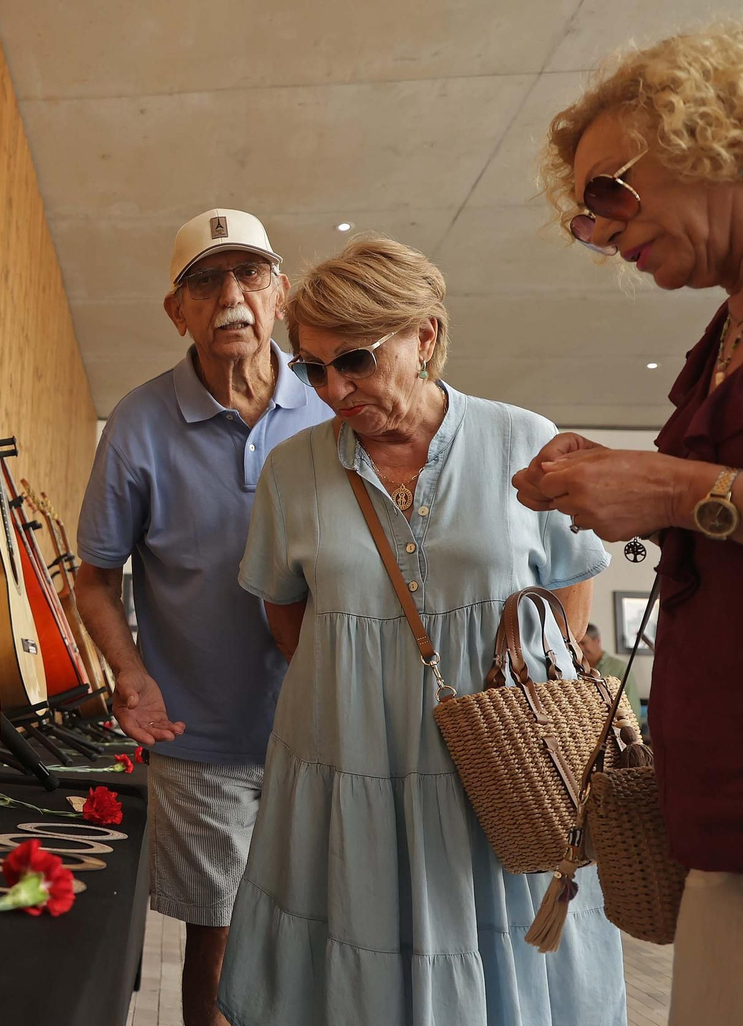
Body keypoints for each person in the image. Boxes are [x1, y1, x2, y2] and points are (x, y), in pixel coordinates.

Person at [219, 237, 625, 1026]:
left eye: (357, 361)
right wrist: (359, 687)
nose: (335, 388)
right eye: (312, 368)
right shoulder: (292, 470)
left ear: (425, 337)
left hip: (498, 775)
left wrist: (532, 699)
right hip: (347, 764)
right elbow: (286, 614)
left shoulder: (521, 439)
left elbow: (570, 584)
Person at [516, 22, 743, 1025]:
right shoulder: (719, 329)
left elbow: (701, 489)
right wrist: (621, 481)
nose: (601, 231)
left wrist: (669, 489)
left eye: (609, 190)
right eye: (583, 218)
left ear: (711, 134)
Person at [74, 208, 330, 1026]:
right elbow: (94, 580)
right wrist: (132, 672)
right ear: (175, 310)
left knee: (326, 937)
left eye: (249, 274)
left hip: (328, 733)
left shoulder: (334, 405)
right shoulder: (139, 424)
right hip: (202, 740)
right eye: (205, 281)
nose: (231, 296)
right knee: (216, 945)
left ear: (280, 294)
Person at [580, 623, 644, 730]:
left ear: (597, 641)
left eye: (583, 643)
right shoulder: (576, 670)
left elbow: (633, 709)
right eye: (576, 644)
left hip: (616, 733)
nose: (580, 648)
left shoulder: (620, 668)